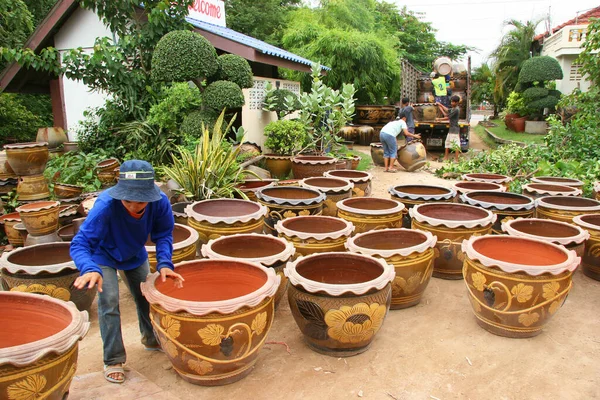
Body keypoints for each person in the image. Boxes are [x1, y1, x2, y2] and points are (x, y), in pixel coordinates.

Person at [71, 159, 184, 384]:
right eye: (128, 201)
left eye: (139, 203)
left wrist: (164, 264)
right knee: (109, 300)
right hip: (103, 255)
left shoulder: (159, 202)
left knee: (147, 295)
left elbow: (163, 234)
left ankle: (151, 339)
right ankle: (113, 359)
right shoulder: (105, 205)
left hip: (134, 252)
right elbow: (80, 243)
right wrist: (89, 268)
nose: (133, 207)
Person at [436, 95, 462, 162]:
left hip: (454, 130)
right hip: (451, 129)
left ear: (457, 103)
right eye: (451, 102)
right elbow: (447, 110)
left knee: (456, 145)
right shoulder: (453, 108)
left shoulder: (456, 109)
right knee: (447, 143)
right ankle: (446, 157)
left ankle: (456, 159)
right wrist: (440, 105)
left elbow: (448, 117)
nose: (451, 103)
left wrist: (439, 119)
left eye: (453, 102)